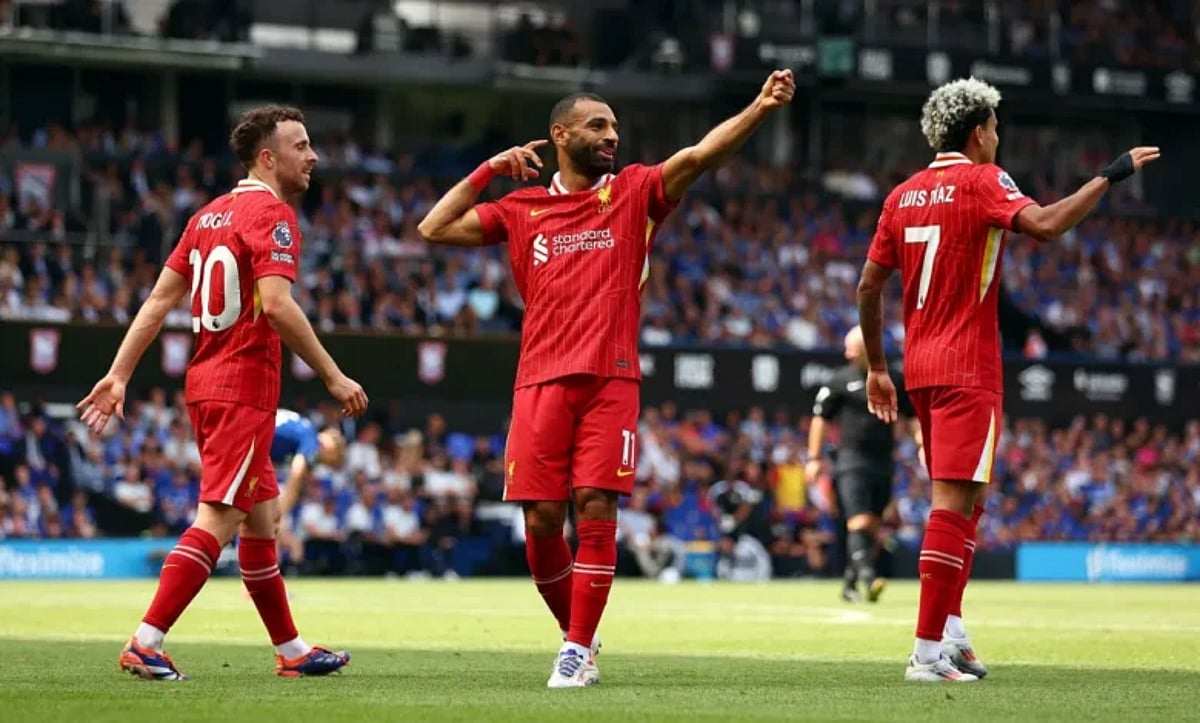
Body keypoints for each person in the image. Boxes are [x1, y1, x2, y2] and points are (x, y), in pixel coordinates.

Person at [417, 70, 796, 687]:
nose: (611, 136)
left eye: (615, 126)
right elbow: (432, 228)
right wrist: (489, 169)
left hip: (609, 377)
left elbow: (700, 156)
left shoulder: (635, 192)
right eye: (597, 125)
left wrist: (759, 107)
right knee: (541, 521)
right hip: (539, 378)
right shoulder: (522, 208)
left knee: (595, 506)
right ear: (559, 134)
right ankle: (581, 637)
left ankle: (574, 649)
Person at [856, 77, 1159, 682]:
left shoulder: (902, 195)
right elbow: (1046, 225)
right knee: (952, 504)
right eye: (995, 129)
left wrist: (877, 368)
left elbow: (868, 285)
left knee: (970, 499)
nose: (998, 138)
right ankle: (924, 655)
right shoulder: (983, 179)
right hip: (968, 365)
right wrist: (1110, 176)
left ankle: (951, 631)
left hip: (922, 368)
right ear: (978, 132)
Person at [77, 105, 369, 681]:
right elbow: (278, 306)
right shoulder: (274, 215)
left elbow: (158, 301)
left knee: (261, 523)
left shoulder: (206, 216)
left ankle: (292, 650)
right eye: (301, 146)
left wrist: (119, 373)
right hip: (241, 388)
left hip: (208, 383)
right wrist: (334, 376)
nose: (313, 156)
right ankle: (146, 640)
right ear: (268, 158)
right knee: (218, 516)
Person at [806, 325, 916, 604]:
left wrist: (922, 444)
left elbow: (912, 416)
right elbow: (821, 419)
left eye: (852, 348)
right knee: (860, 520)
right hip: (851, 461)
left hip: (884, 462)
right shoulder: (839, 380)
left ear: (869, 348)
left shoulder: (894, 379)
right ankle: (869, 577)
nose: (847, 354)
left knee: (873, 527)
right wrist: (814, 458)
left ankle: (849, 584)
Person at [273, 408, 346, 518]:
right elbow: (296, 475)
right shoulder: (312, 440)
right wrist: (280, 515)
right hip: (251, 432)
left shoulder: (305, 428)